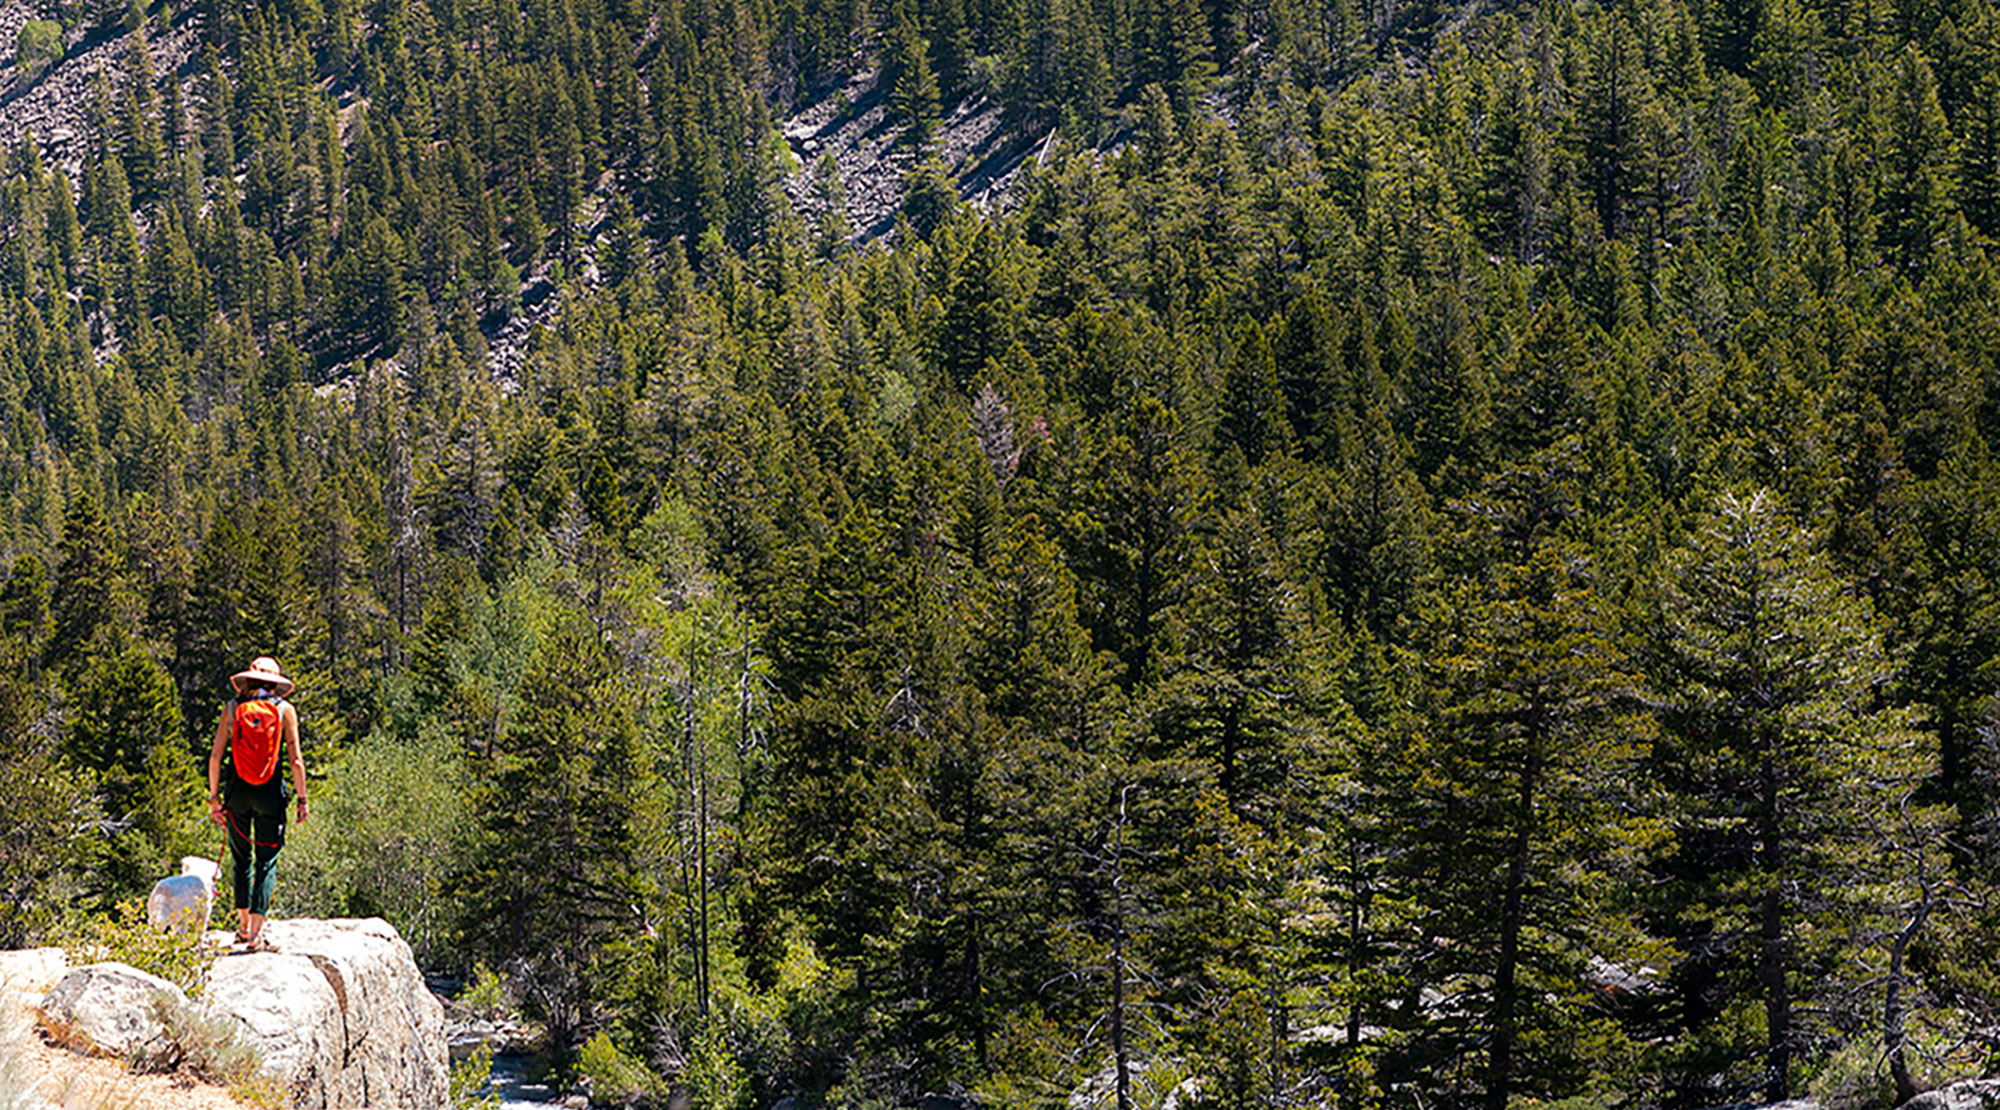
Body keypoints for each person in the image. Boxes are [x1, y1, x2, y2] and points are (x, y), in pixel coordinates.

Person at [206, 656, 309, 948]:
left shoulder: (232, 707)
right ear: (275, 682)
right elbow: (296, 759)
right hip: (270, 793)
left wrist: (214, 799)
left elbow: (215, 756)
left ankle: (241, 926)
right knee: (267, 860)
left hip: (236, 793)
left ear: (249, 678)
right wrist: (302, 799)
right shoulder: (285, 709)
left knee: (241, 859)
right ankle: (255, 934)